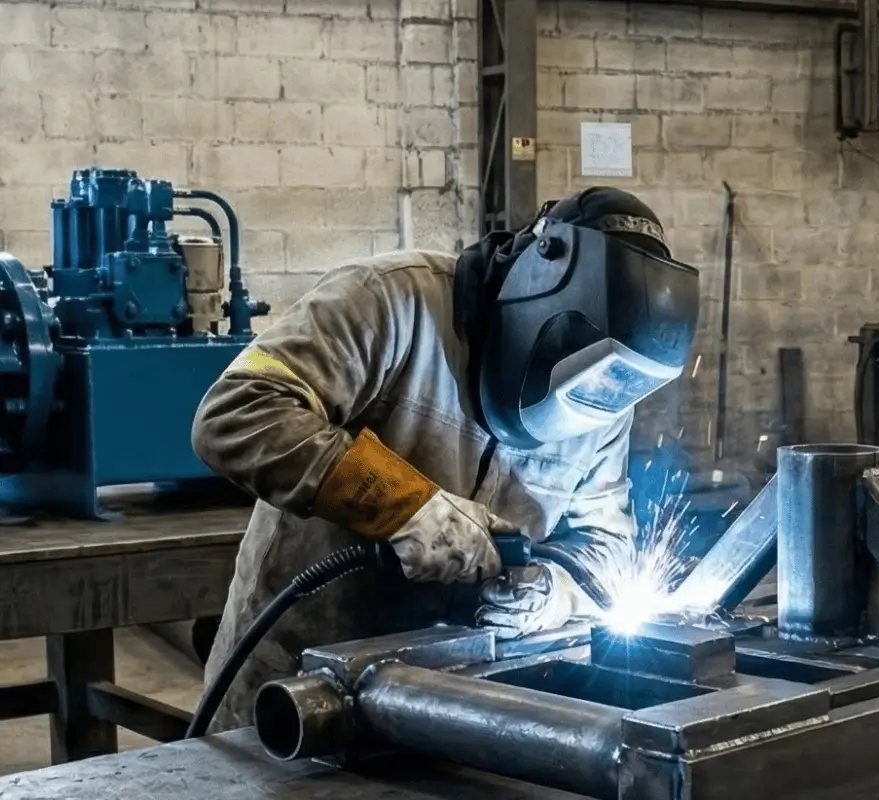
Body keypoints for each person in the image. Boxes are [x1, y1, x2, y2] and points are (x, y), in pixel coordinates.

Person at [191, 187, 701, 731]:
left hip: (453, 705)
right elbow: (235, 412)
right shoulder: (392, 301)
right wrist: (402, 507)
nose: (590, 407)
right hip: (294, 685)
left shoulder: (606, 389)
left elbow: (605, 545)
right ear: (533, 293)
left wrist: (556, 591)